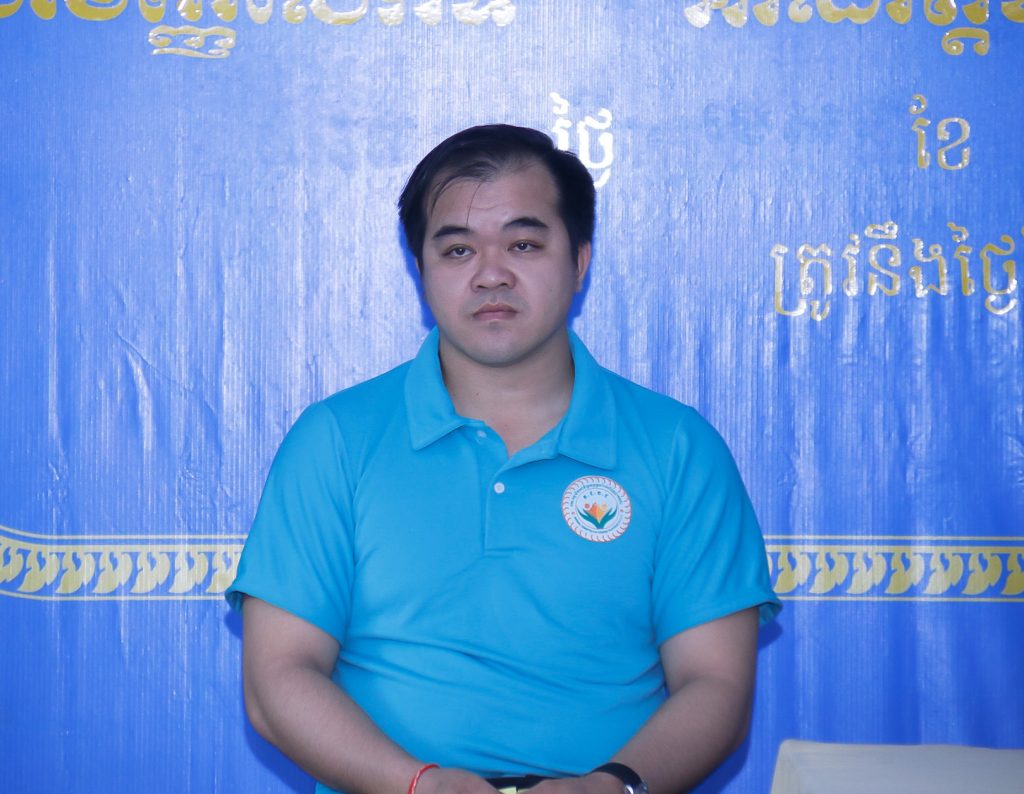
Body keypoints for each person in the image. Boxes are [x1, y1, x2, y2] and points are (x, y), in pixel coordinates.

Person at [226, 124, 780, 794]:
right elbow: (278, 678)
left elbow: (715, 683)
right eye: (458, 249)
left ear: (579, 261)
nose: (491, 274)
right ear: (422, 270)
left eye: (523, 244)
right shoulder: (336, 440)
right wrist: (420, 785)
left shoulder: (678, 448)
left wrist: (611, 786)